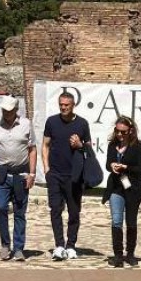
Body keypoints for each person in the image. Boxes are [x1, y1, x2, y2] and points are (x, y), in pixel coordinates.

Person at [0, 95, 37, 262]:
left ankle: (19, 247)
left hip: (21, 173)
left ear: (15, 110)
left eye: (9, 111)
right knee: (1, 208)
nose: (6, 113)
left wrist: (32, 173)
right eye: (3, 110)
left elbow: (32, 149)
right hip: (1, 173)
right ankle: (5, 245)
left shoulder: (26, 124)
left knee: (20, 212)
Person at [42, 91, 91, 261]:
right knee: (55, 209)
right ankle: (59, 245)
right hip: (55, 174)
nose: (63, 107)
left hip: (74, 175)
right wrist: (46, 168)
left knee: (74, 212)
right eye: (61, 104)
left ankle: (71, 245)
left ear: (73, 105)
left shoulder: (82, 124)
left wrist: (80, 145)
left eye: (66, 105)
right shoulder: (52, 122)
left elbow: (89, 149)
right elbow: (45, 145)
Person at [102, 116, 141, 267]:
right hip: (116, 187)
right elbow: (108, 163)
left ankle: (131, 254)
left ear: (130, 131)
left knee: (131, 221)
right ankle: (118, 255)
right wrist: (112, 165)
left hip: (132, 188)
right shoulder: (112, 145)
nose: (119, 134)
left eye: (123, 131)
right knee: (116, 221)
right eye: (117, 131)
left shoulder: (137, 148)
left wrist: (126, 167)